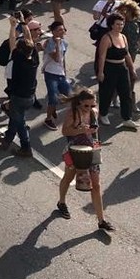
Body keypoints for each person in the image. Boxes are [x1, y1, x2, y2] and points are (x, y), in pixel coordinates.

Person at [55, 88, 115, 232]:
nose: (89, 108)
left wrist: (95, 141)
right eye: (86, 105)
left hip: (92, 150)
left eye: (92, 105)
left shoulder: (94, 113)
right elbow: (65, 132)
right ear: (80, 102)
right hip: (75, 150)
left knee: (96, 185)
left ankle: (101, 220)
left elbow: (95, 132)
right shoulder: (73, 113)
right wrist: (81, 130)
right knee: (68, 177)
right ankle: (61, 202)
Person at [0, 16, 40, 158]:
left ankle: (26, 147)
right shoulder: (34, 59)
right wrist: (23, 23)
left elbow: (11, 42)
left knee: (20, 122)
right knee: (15, 118)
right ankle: (7, 139)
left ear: (20, 50)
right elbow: (29, 39)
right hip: (30, 96)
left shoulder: (18, 59)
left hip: (18, 96)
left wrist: (12, 26)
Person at [96, 13, 139, 131]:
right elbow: (102, 56)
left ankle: (127, 118)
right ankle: (103, 114)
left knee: (126, 93)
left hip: (122, 68)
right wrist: (100, 72)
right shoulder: (106, 38)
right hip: (109, 68)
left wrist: (132, 69)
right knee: (107, 93)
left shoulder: (123, 37)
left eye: (122, 24)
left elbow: (127, 54)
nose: (120, 26)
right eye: (118, 24)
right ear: (111, 25)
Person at [41, 20, 73, 131]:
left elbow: (62, 60)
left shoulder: (65, 43)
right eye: (59, 30)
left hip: (60, 74)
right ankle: (48, 119)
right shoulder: (48, 43)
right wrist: (58, 44)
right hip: (50, 73)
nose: (62, 31)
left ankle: (71, 117)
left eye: (63, 29)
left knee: (70, 96)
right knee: (53, 98)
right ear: (53, 32)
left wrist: (65, 72)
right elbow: (56, 58)